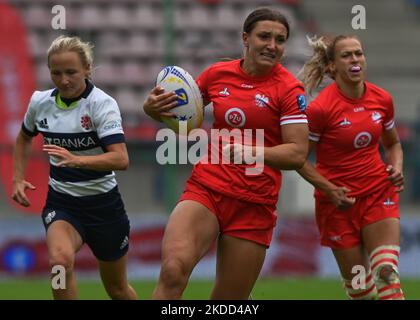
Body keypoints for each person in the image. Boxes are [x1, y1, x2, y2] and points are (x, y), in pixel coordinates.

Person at [143, 7, 309, 299]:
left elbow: (296, 153)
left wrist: (251, 151)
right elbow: (181, 116)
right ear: (245, 38)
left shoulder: (289, 89)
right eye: (264, 36)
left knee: (228, 302)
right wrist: (152, 109)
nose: (272, 45)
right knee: (172, 271)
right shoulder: (218, 74)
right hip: (207, 189)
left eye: (280, 40)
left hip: (254, 203)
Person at [12, 36, 137, 300]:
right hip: (63, 203)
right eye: (56, 73)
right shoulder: (40, 102)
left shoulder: (102, 105)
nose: (64, 80)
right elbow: (24, 137)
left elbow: (120, 159)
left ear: (87, 69)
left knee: (117, 290)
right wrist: (17, 178)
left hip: (104, 207)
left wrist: (77, 159)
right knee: (58, 262)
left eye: (71, 72)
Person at [298, 35, 405, 300]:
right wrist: (330, 190)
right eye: (346, 55)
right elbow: (298, 158)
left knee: (386, 273)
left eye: (359, 53)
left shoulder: (382, 99)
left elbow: (393, 145)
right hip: (337, 204)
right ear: (332, 66)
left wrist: (397, 167)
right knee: (361, 289)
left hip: (378, 193)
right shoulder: (320, 109)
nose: (355, 59)